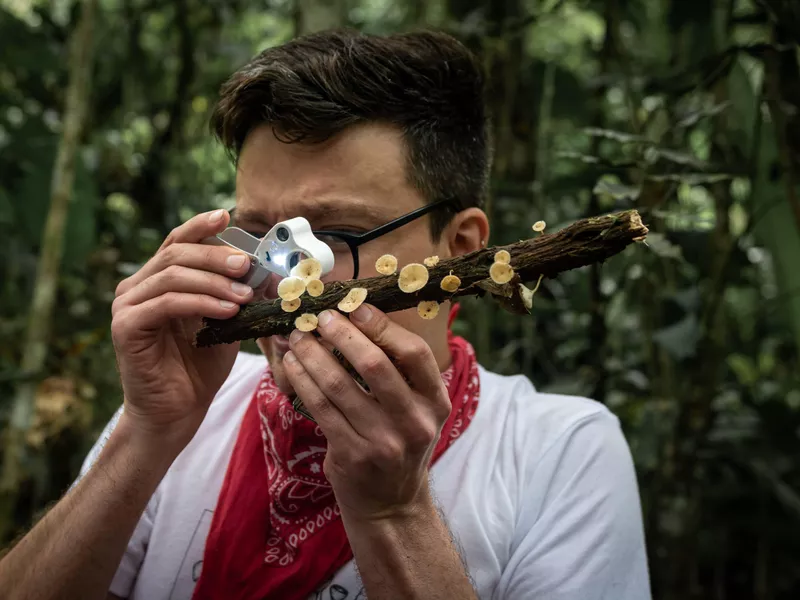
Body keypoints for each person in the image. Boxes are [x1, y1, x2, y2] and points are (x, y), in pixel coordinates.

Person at [0, 29, 651, 600]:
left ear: (460, 249)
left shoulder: (559, 452)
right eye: (265, 236)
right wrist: (145, 436)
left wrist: (395, 514)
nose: (286, 277)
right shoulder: (188, 409)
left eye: (335, 234)